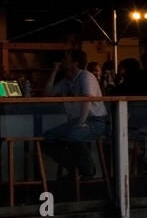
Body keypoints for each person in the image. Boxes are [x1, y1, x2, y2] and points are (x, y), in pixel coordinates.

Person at [43, 49, 108, 179]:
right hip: (76, 122)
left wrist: (81, 122)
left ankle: (88, 170)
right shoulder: (65, 81)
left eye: (66, 59)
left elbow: (87, 99)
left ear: (75, 63)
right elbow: (47, 94)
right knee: (47, 138)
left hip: (95, 121)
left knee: (73, 136)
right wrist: (54, 71)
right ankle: (76, 168)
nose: (62, 61)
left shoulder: (86, 76)